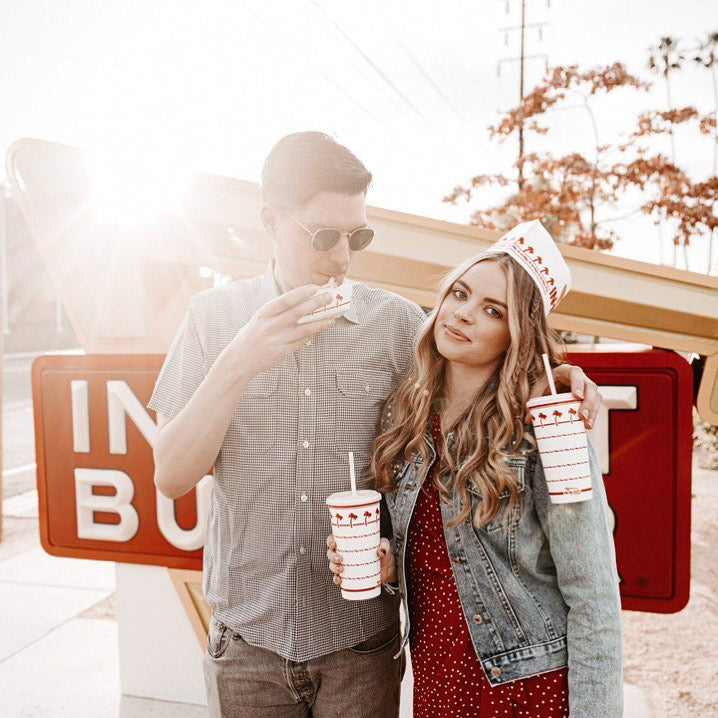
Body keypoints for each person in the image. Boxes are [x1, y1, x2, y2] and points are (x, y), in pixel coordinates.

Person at [148, 131, 604, 718]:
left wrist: (560, 378)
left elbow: (483, 374)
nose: (340, 257)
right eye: (322, 236)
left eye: (356, 236)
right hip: (246, 645)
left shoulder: (396, 326)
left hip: (360, 649)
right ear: (270, 220)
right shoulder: (212, 320)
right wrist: (239, 360)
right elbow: (172, 475)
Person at [328, 220, 623, 717]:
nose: (463, 314)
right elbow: (437, 560)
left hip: (527, 686)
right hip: (439, 679)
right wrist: (385, 568)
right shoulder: (406, 421)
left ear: (515, 335)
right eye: (460, 294)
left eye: (492, 311)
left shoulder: (545, 429)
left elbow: (594, 597)